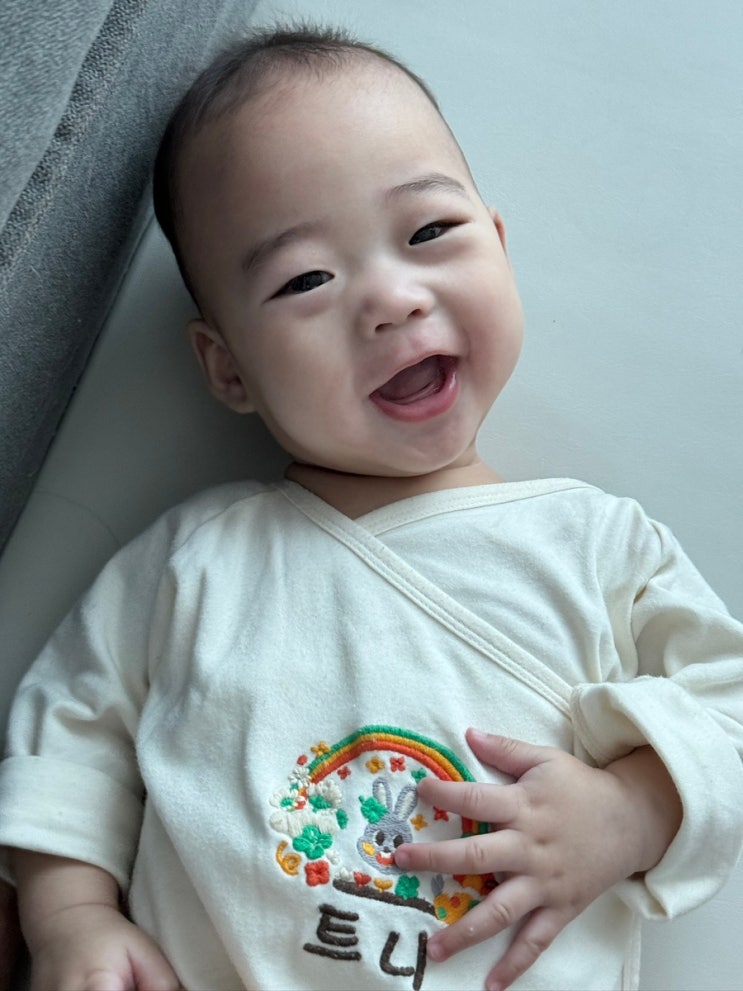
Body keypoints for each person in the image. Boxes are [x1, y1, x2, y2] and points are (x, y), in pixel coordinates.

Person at [1, 22, 742, 991]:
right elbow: (68, 735)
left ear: (499, 246)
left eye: (428, 233)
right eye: (305, 279)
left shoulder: (599, 546)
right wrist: (71, 917)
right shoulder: (193, 561)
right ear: (227, 366)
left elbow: (729, 708)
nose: (391, 298)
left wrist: (632, 811)